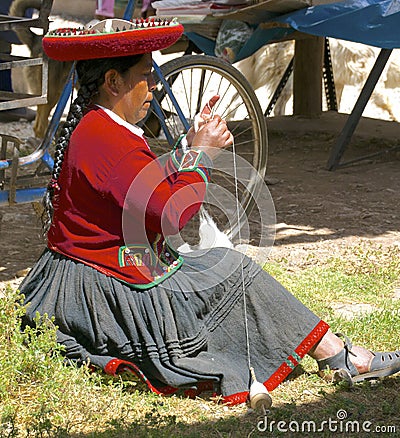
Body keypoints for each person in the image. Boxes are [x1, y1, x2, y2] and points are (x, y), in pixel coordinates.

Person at [19, 17, 400, 406]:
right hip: (100, 293)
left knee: (217, 266)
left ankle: (336, 353)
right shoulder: (106, 139)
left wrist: (188, 145)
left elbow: (137, 188)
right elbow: (170, 217)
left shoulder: (98, 128)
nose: (153, 86)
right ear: (113, 82)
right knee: (232, 269)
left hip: (79, 279)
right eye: (146, 75)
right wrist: (202, 154)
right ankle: (343, 357)